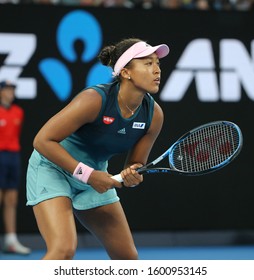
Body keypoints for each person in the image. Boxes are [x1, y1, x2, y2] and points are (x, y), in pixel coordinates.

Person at [26, 38, 170, 260]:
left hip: (95, 175)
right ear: (126, 72)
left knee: (128, 260)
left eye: (157, 64)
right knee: (63, 250)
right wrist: (88, 175)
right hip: (52, 169)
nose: (157, 70)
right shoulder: (94, 99)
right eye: (148, 63)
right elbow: (42, 141)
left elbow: (136, 163)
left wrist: (133, 174)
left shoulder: (154, 115)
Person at [0, 80, 31, 255]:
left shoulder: (19, 112)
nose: (10, 92)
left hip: (13, 157)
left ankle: (11, 240)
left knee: (11, 200)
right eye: (7, 89)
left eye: (12, 89)